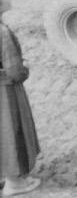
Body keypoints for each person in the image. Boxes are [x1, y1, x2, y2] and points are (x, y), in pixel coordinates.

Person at [1, 22, 41, 197]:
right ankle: (14, 183)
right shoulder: (1, 32)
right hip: (4, 91)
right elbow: (15, 70)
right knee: (12, 132)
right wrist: (25, 70)